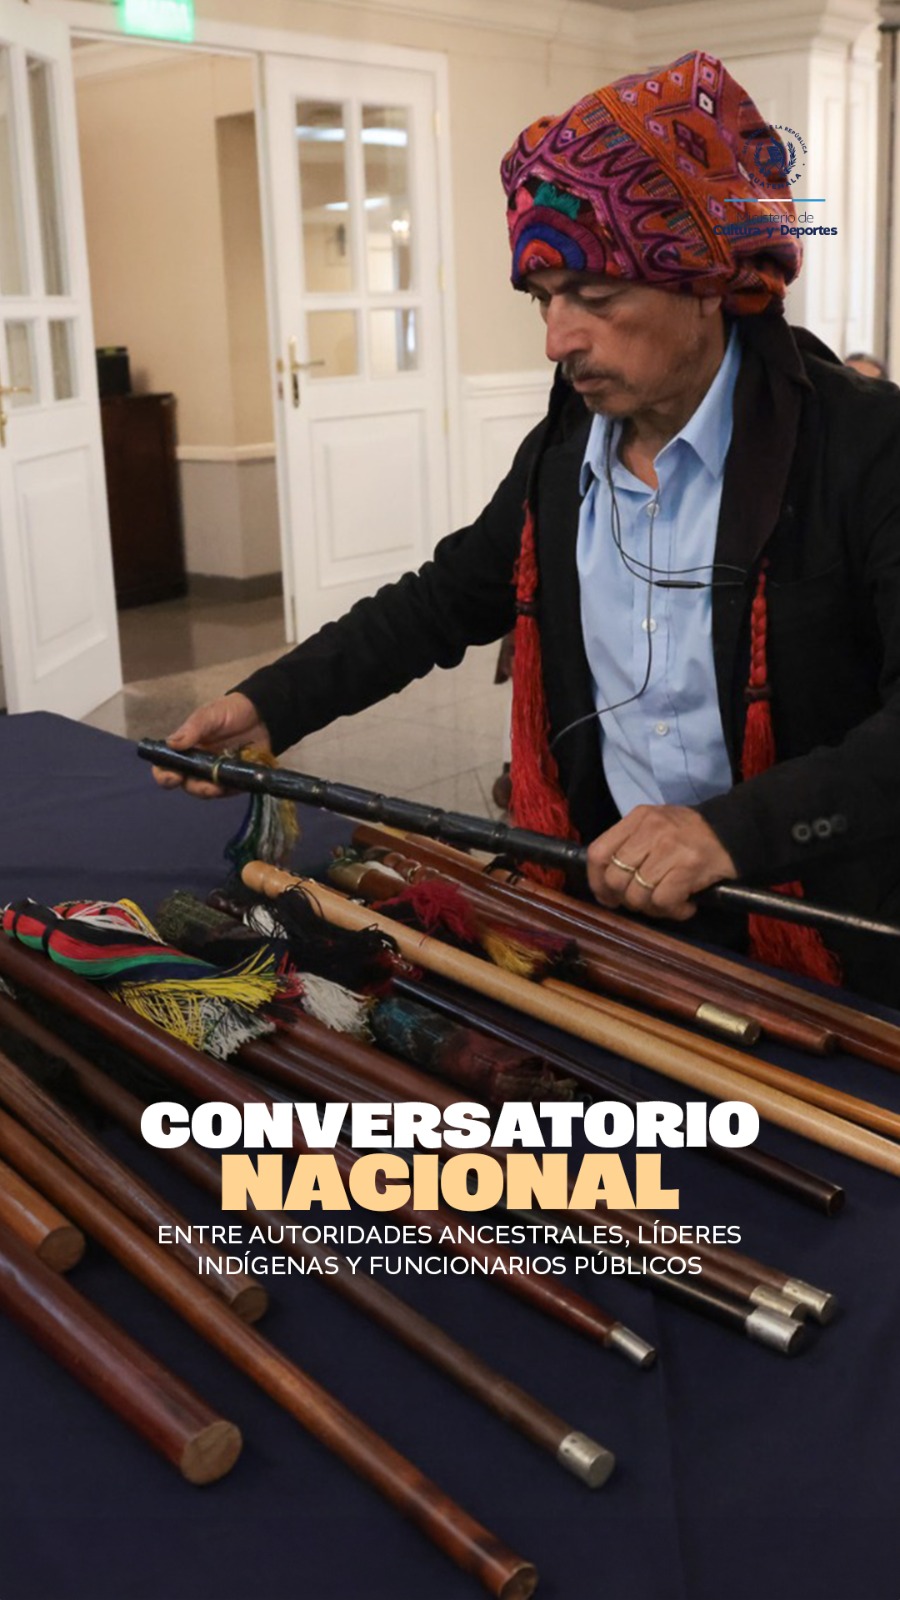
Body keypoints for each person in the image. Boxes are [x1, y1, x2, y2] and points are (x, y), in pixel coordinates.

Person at [154, 51, 900, 1001]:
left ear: (707, 278)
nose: (558, 340)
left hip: (821, 934)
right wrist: (270, 706)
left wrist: (728, 832)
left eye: (596, 296)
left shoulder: (865, 449)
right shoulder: (567, 446)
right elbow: (445, 599)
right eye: (545, 299)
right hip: (612, 913)